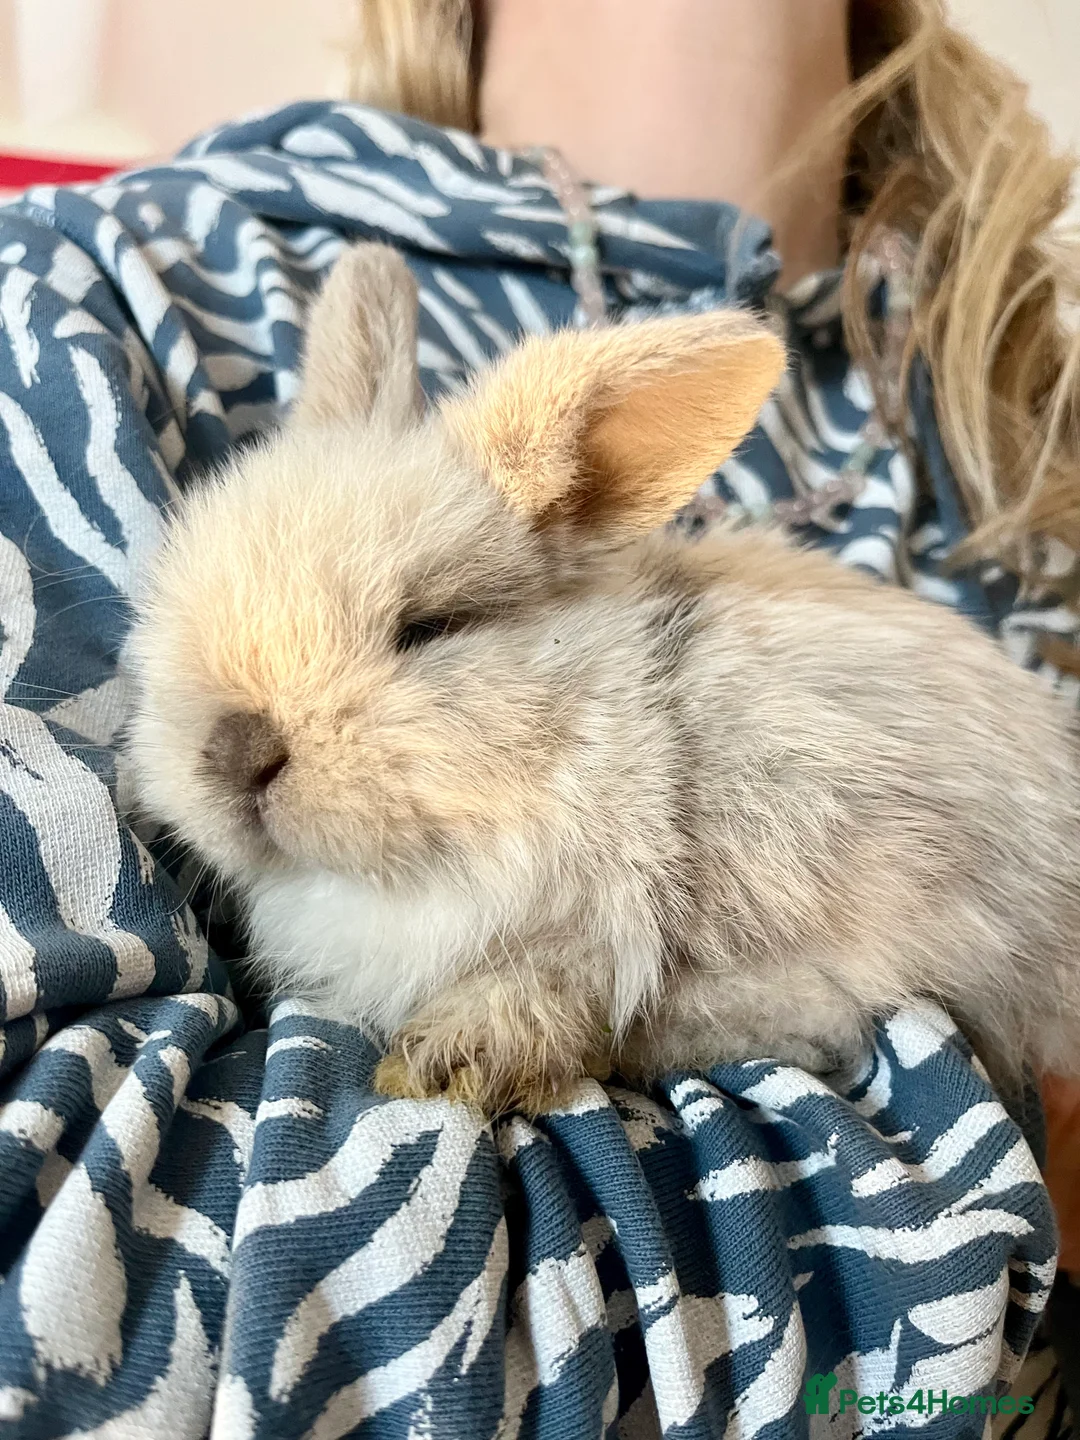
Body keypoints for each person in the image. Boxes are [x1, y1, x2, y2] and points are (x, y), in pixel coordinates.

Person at [0, 0, 1074, 1434]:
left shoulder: (1023, 402)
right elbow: (77, 1284)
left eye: (421, 630)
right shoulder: (106, 293)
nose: (249, 746)